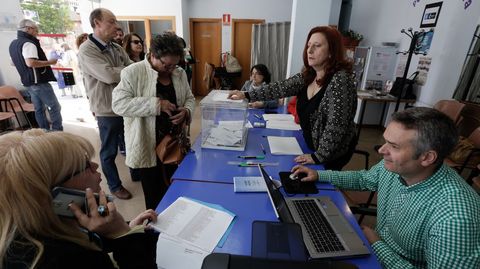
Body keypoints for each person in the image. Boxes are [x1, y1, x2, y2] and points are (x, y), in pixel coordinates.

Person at [292, 107, 480, 269]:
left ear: (427, 158)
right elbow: (363, 179)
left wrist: (376, 243)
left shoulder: (456, 216)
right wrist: (320, 175)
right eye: (385, 141)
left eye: (394, 146)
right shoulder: (395, 166)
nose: (381, 150)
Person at [0, 129, 158, 268]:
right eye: (84, 164)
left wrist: (127, 228)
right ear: (57, 193)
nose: (95, 166)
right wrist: (123, 236)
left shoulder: (33, 231)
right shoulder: (69, 259)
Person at [229, 26, 357, 170]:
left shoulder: (340, 80)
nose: (309, 50)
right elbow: (280, 88)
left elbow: (336, 126)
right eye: (308, 45)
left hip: (331, 155)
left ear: (331, 51)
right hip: (312, 147)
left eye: (317, 46)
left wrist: (318, 156)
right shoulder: (309, 76)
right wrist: (247, 94)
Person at [112, 32, 195, 210]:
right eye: (167, 65)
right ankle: (155, 234)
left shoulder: (178, 73)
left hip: (174, 144)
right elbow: (118, 104)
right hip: (147, 146)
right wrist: (156, 105)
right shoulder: (133, 72)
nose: (172, 69)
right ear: (153, 55)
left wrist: (186, 111)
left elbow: (190, 98)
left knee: (176, 191)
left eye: (175, 64)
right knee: (154, 198)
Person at [78, 8, 133, 200]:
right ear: (97, 23)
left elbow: (132, 69)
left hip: (125, 105)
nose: (116, 26)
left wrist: (120, 70)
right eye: (111, 21)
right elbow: (108, 75)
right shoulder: (87, 50)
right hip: (106, 109)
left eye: (115, 21)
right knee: (109, 151)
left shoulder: (116, 48)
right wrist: (123, 71)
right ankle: (115, 186)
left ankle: (136, 173)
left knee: (130, 143)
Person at [9, 19, 63, 131]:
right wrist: (50, 62)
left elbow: (13, 62)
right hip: (39, 82)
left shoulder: (13, 44)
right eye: (35, 29)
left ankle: (44, 132)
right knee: (54, 107)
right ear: (28, 29)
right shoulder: (28, 43)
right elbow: (30, 62)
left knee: (39, 109)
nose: (37, 32)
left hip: (27, 82)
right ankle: (57, 132)